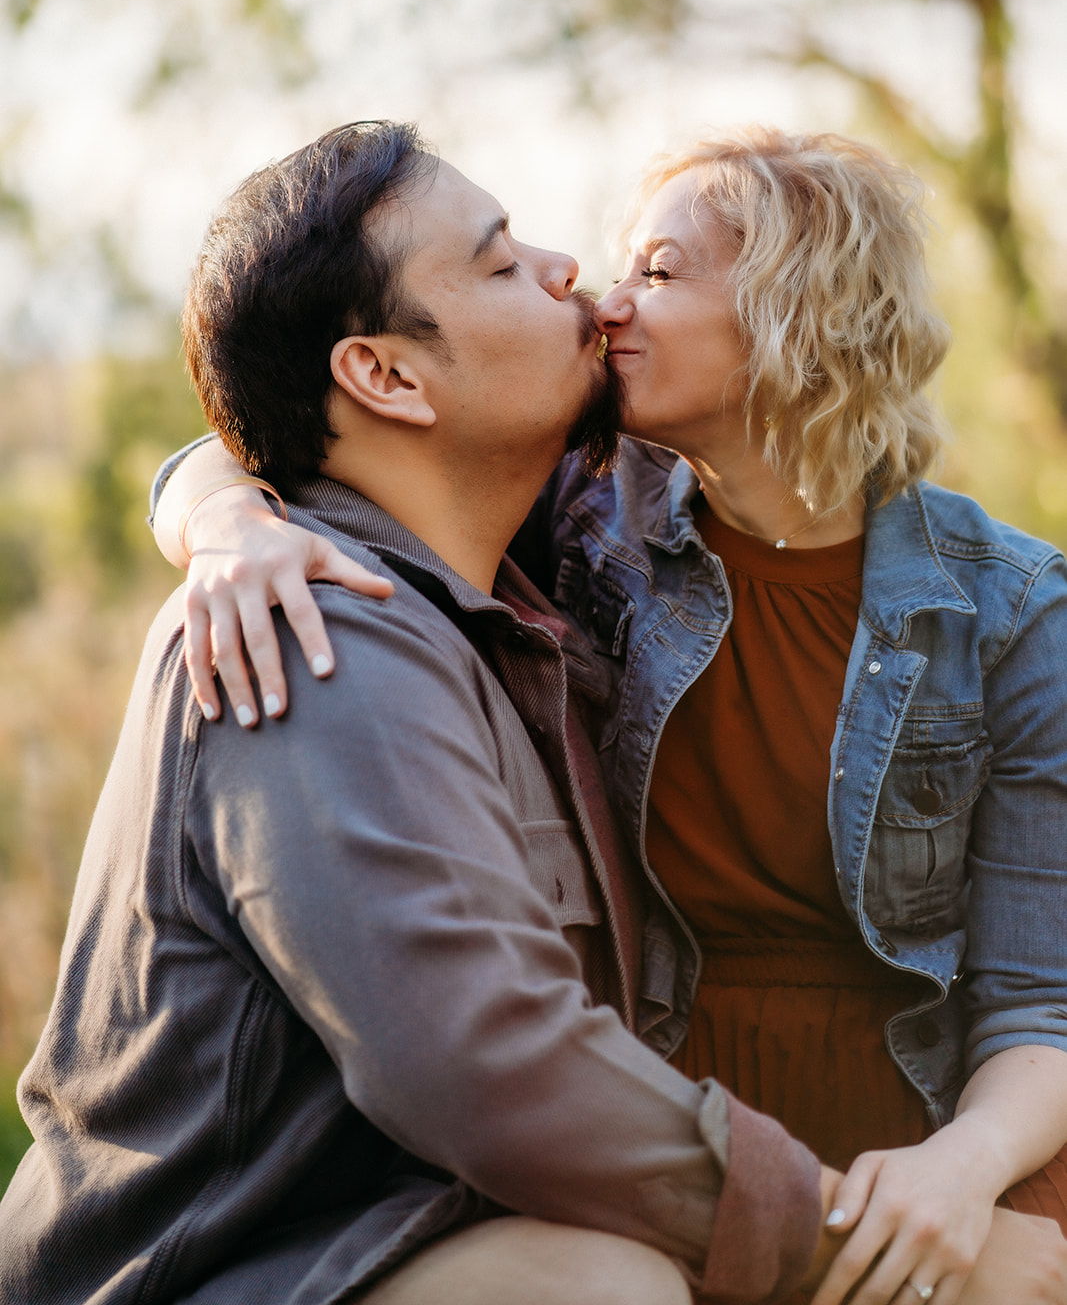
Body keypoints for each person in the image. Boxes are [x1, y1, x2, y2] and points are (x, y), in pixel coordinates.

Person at [156, 126, 1067, 1305]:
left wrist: (961, 1172)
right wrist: (223, 517)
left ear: (804, 309)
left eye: (659, 270)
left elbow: (1037, 991)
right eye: (619, 266)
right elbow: (301, 424)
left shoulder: (1012, 610)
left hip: (924, 1127)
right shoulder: (582, 523)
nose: (599, 293)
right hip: (652, 1130)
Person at [0, 120, 847, 1305]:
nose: (568, 270)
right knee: (591, 1289)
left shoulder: (533, 576)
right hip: (211, 1275)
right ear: (388, 376)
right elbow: (485, 1068)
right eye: (499, 264)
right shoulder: (309, 627)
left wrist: (215, 500)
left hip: (391, 1240)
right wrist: (860, 1250)